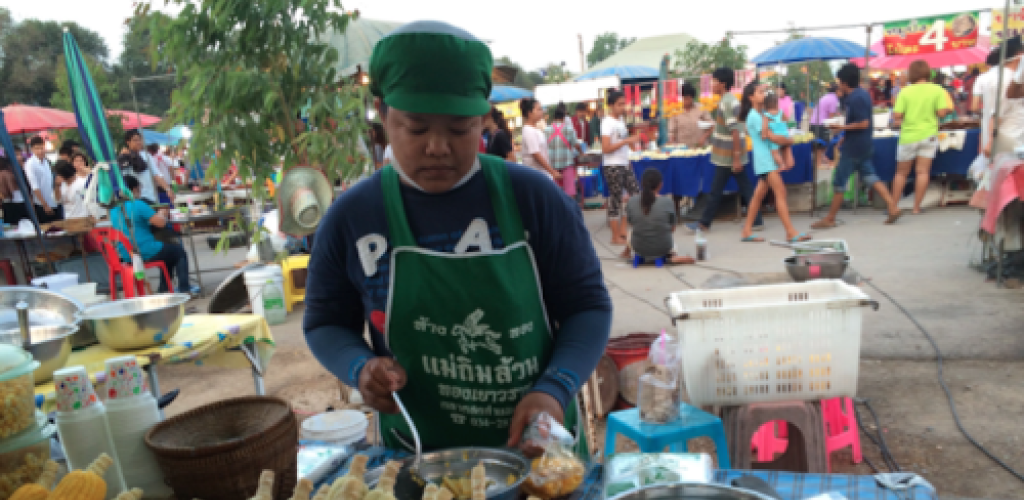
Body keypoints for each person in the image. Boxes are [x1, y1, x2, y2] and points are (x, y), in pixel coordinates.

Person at [303, 20, 611, 454]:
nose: (437, 147)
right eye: (416, 128)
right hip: (417, 461)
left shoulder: (536, 199)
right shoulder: (353, 217)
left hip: (537, 455)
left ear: (484, 116)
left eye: (459, 128)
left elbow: (588, 307)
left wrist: (555, 387)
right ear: (383, 113)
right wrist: (360, 367)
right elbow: (325, 322)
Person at [812, 64, 901, 229]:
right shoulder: (862, 94)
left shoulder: (856, 98)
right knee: (870, 176)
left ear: (845, 82)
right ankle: (892, 206)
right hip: (862, 143)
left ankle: (830, 218)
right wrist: (845, 136)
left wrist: (842, 129)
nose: (838, 84)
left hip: (854, 148)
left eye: (840, 81)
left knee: (840, 180)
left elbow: (863, 123)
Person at [685, 68, 764, 233]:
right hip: (730, 153)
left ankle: (704, 224)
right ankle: (756, 220)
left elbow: (734, 130)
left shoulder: (727, 102)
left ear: (722, 84)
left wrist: (735, 158)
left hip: (728, 155)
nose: (712, 85)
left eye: (714, 81)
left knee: (716, 191)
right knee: (746, 188)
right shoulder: (729, 100)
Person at [739, 84, 808, 243]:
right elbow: (772, 137)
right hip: (765, 161)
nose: (764, 94)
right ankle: (790, 232)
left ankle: (747, 230)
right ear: (751, 97)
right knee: (780, 193)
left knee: (758, 196)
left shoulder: (761, 114)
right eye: (760, 92)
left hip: (767, 160)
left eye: (764, 91)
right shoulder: (755, 117)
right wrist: (789, 140)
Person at [110, 175, 199, 295]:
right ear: (134, 189)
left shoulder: (114, 209)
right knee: (178, 252)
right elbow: (161, 223)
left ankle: (164, 288)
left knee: (168, 251)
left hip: (126, 254)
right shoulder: (138, 204)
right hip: (142, 252)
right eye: (139, 188)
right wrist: (162, 212)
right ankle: (185, 289)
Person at [891, 60, 953, 214]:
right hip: (929, 135)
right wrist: (946, 111)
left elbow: (897, 115)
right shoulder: (937, 90)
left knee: (901, 173)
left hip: (908, 135)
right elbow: (941, 113)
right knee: (923, 172)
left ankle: (893, 206)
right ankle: (916, 207)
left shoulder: (904, 91)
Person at [624, 168, 695, 264]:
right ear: (660, 185)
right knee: (671, 242)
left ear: (642, 184)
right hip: (663, 247)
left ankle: (626, 252)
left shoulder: (632, 201)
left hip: (639, 247)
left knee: (630, 233)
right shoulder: (667, 202)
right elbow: (672, 229)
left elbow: (632, 223)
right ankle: (672, 256)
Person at [602, 90, 642, 246]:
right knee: (616, 199)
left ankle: (623, 230)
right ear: (611, 105)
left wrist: (632, 142)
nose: (623, 107)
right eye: (620, 104)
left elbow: (626, 141)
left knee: (634, 194)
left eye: (624, 104)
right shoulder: (607, 122)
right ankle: (615, 235)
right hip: (612, 165)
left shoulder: (621, 121)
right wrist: (626, 142)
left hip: (624, 162)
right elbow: (606, 148)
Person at [119, 130, 173, 205]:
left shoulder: (146, 155)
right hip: (137, 198)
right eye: (135, 140)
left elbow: (156, 174)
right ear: (128, 142)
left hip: (151, 197)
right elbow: (126, 179)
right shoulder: (124, 158)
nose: (138, 142)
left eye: (140, 139)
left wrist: (168, 189)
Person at [546, 102, 584, 199]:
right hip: (567, 163)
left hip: (552, 166)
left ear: (553, 118)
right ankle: (570, 210)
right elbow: (576, 144)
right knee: (570, 191)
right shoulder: (569, 129)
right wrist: (581, 152)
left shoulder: (547, 130)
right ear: (563, 118)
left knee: (555, 191)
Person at [520, 98, 561, 180]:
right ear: (529, 113)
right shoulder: (529, 131)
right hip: (536, 176)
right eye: (538, 109)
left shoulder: (535, 129)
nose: (541, 112)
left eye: (541, 109)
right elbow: (536, 154)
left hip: (542, 174)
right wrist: (552, 171)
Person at [25, 136, 60, 223]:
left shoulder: (46, 162)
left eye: (42, 148)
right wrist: (45, 205)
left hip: (53, 201)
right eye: (37, 149)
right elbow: (34, 186)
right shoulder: (30, 164)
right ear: (32, 149)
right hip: (42, 204)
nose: (40, 151)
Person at [667, 82, 712, 147]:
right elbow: (671, 131)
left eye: (688, 98)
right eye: (683, 98)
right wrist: (672, 141)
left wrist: (704, 137)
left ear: (692, 97)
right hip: (682, 149)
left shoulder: (701, 108)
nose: (685, 101)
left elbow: (711, 125)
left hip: (700, 147)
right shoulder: (675, 112)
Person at [761, 93, 795, 171]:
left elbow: (764, 127)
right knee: (785, 149)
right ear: (777, 104)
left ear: (765, 105)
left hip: (775, 136)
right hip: (785, 135)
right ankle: (786, 164)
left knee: (775, 153)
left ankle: (781, 164)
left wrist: (763, 135)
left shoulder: (766, 115)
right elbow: (786, 121)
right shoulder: (780, 112)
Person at [809, 84, 840, 167]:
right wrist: (834, 130)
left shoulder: (826, 96)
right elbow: (831, 117)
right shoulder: (834, 99)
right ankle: (818, 164)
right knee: (820, 145)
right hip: (821, 124)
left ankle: (819, 162)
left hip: (813, 122)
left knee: (818, 146)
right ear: (837, 91)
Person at [0, 156, 28, 225]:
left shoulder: (2, 174)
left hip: (10, 202)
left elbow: (5, 192)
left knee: (14, 225)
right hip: (21, 200)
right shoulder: (12, 172)